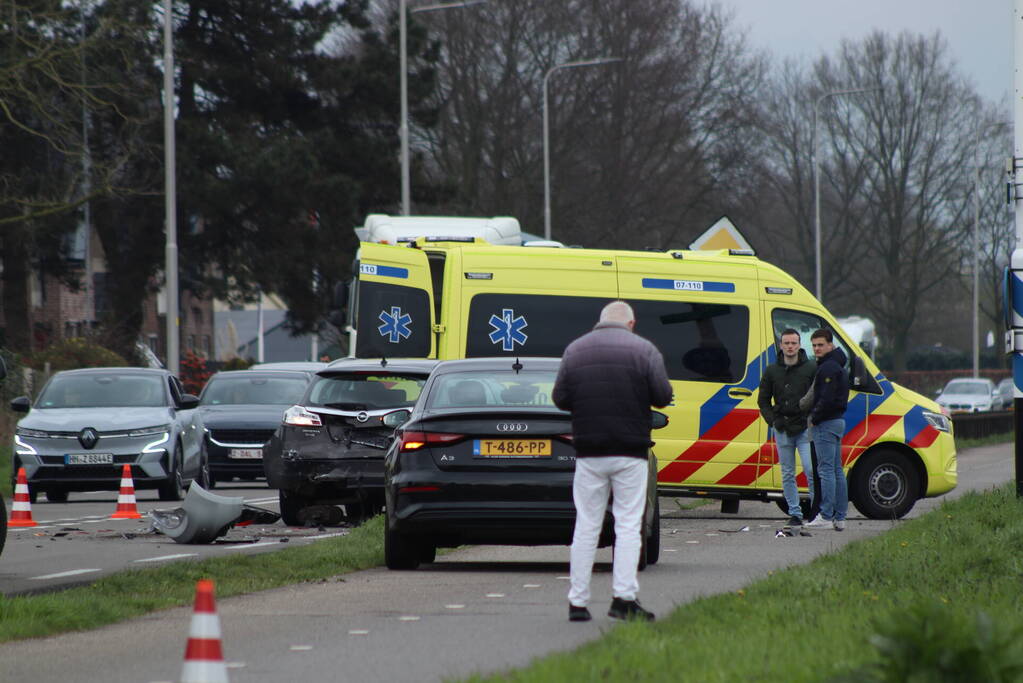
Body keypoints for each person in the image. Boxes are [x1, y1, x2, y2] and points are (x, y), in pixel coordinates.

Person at [552, 300, 673, 623]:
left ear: (600, 322)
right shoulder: (645, 350)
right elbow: (663, 395)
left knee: (587, 525)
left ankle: (577, 602)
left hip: (590, 450)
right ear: (631, 324)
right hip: (630, 450)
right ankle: (623, 598)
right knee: (628, 525)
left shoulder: (575, 350)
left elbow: (560, 398)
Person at [758, 328, 817, 528]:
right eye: (786, 343)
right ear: (781, 345)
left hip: (805, 428)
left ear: (800, 345)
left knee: (811, 469)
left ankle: (816, 511)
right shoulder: (771, 371)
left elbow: (817, 396)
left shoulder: (811, 369)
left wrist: (813, 418)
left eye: (794, 343)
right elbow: (763, 400)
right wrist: (772, 420)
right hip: (782, 428)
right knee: (787, 473)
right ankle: (795, 513)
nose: (790, 346)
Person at [803, 328, 850, 531]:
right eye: (814, 345)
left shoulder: (828, 368)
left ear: (830, 345)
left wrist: (814, 417)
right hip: (837, 421)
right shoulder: (837, 365)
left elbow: (826, 398)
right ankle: (840, 517)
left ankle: (825, 515)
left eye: (821, 345)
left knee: (826, 471)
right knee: (837, 470)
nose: (816, 349)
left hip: (826, 422)